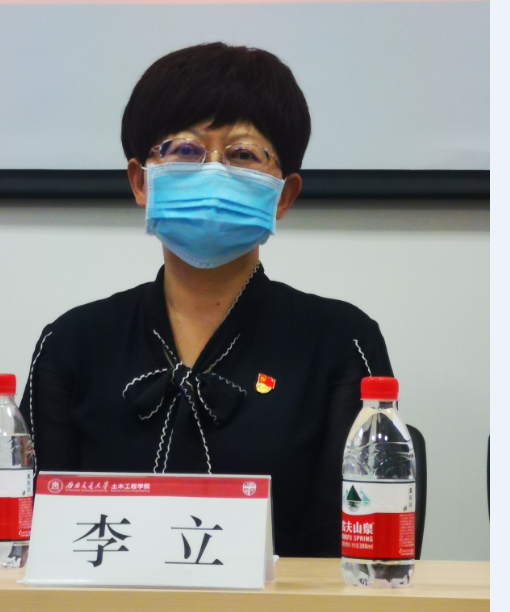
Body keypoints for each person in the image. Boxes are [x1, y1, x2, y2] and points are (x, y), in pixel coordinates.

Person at [20, 42, 393, 557]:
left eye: (243, 154)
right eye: (185, 150)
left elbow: (350, 554)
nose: (213, 172)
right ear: (141, 182)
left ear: (283, 196)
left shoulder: (340, 343)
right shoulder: (72, 344)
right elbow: (33, 542)